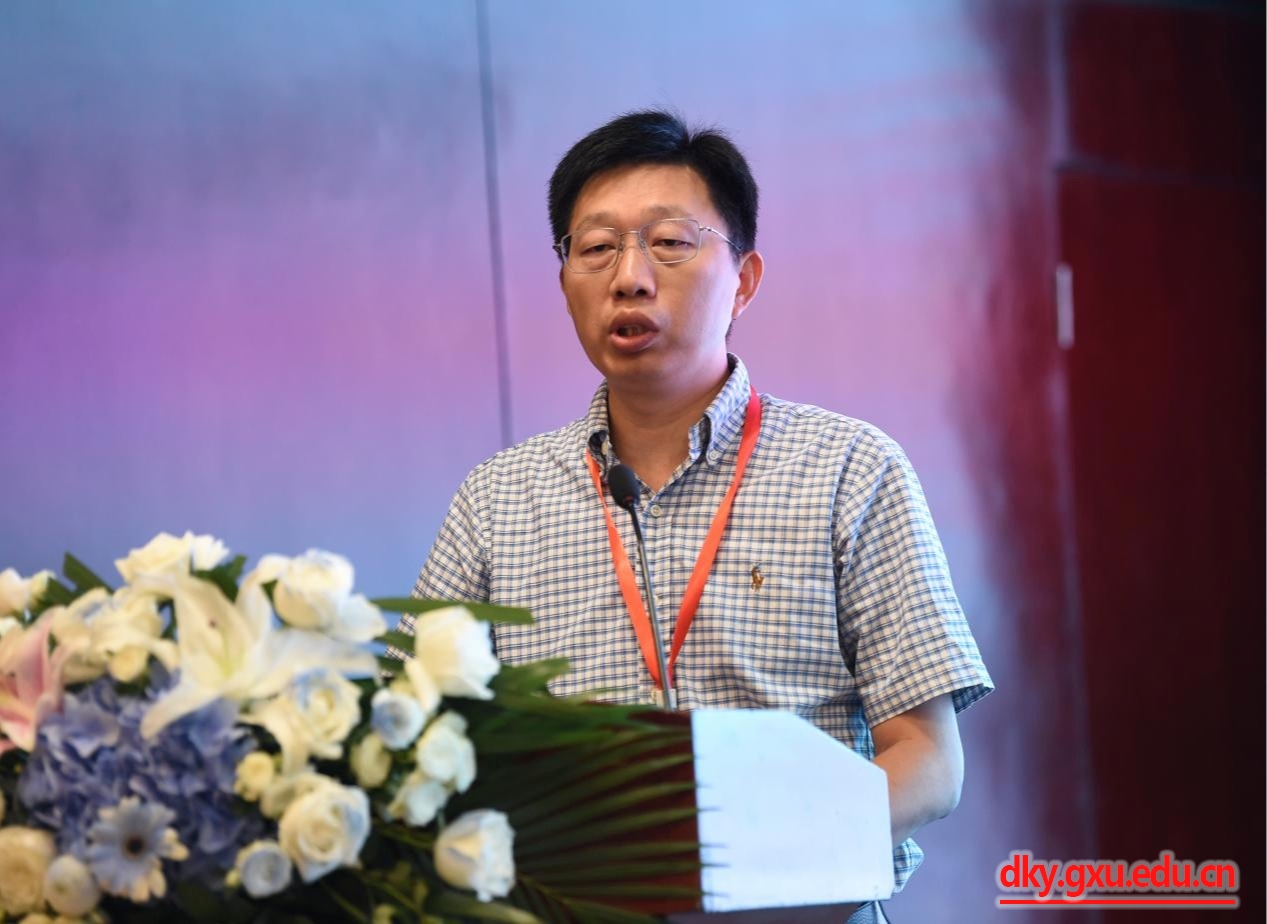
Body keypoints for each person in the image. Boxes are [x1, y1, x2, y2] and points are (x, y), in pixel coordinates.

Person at [395, 110, 993, 922]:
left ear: (743, 279)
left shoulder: (849, 469)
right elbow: (408, 737)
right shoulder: (498, 501)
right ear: (565, 279)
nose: (629, 277)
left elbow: (927, 761)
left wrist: (752, 862)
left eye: (669, 242)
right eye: (594, 247)